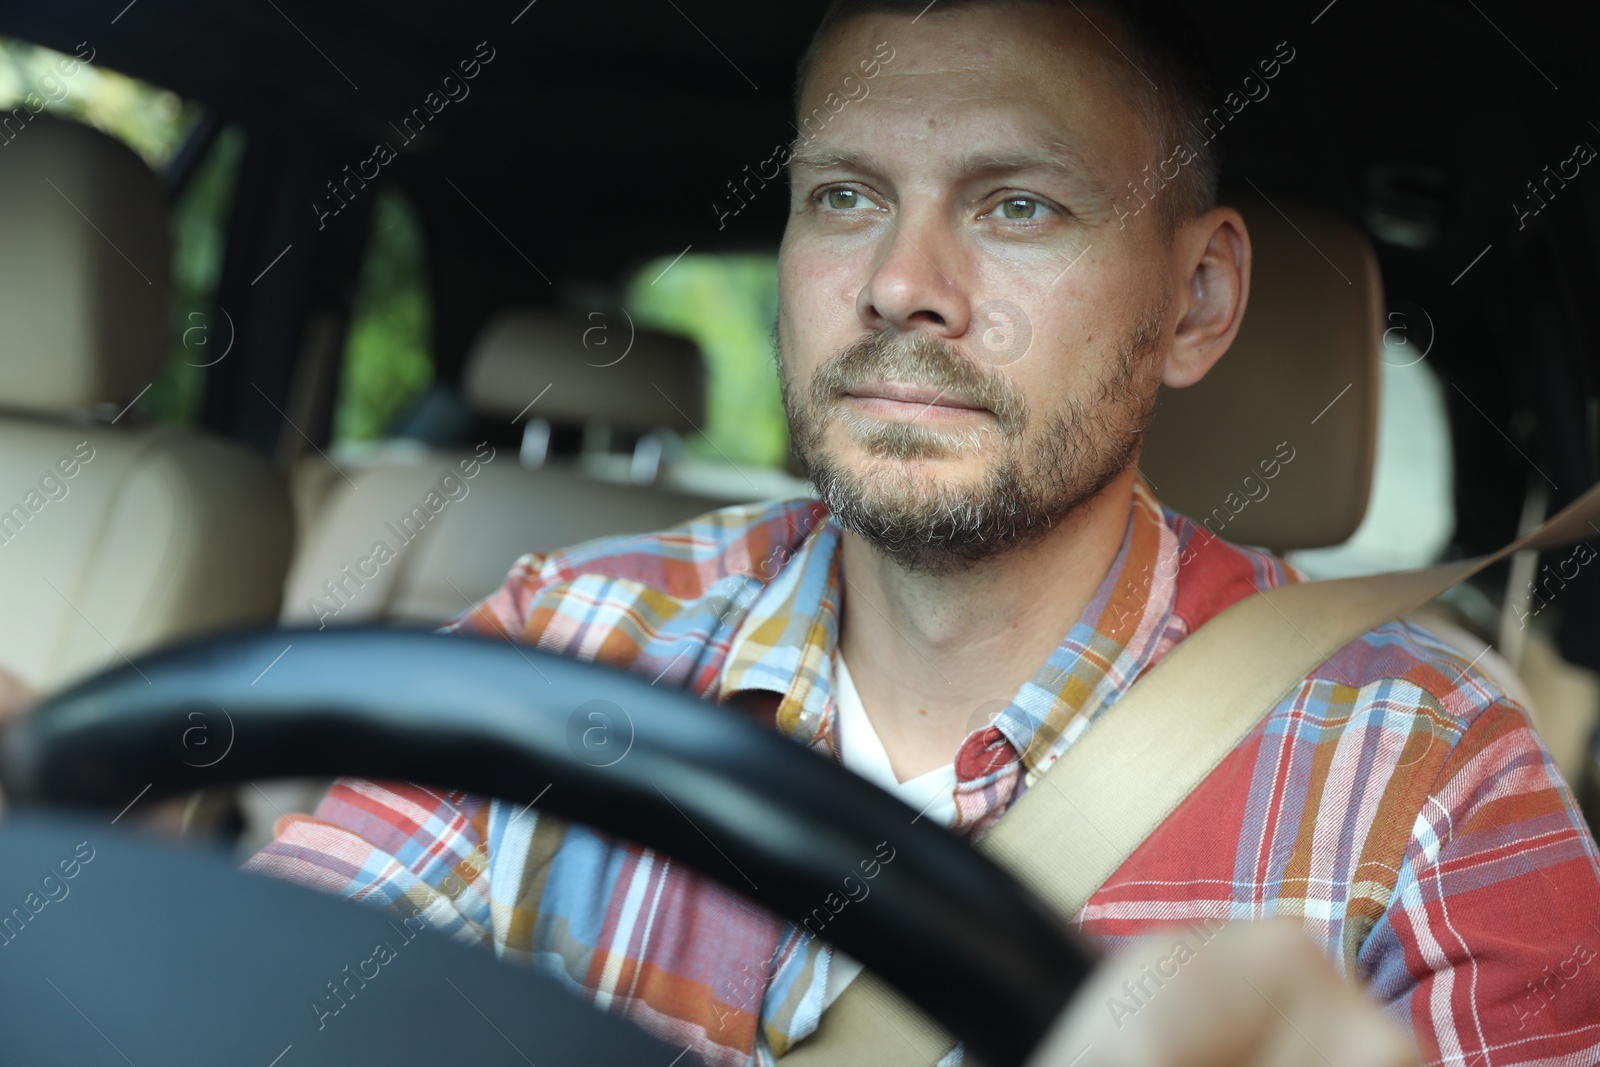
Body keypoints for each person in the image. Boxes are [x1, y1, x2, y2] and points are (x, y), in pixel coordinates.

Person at [246, 1, 1600, 1064]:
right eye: (845, 196)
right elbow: (253, 1000)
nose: (901, 285)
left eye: (1020, 204)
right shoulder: (565, 639)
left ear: (1195, 301)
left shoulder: (1425, 778)